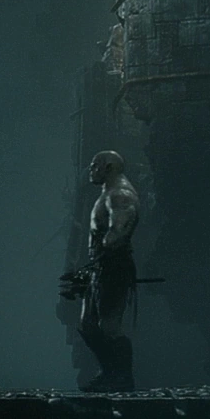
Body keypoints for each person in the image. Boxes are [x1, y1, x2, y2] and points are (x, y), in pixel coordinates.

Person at [73, 150, 140, 392]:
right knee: (88, 325)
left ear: (108, 167)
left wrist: (105, 252)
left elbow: (118, 233)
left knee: (109, 325)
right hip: (100, 266)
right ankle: (109, 373)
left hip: (112, 266)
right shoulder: (108, 193)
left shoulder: (120, 195)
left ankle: (121, 377)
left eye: (95, 166)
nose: (91, 170)